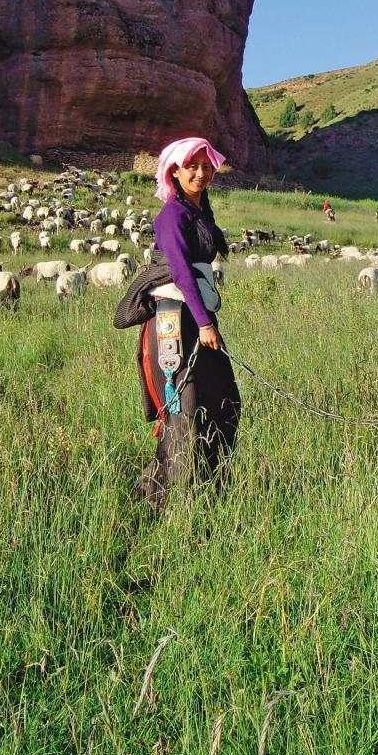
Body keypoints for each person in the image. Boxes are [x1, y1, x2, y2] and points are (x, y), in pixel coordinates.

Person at [115, 136, 241, 508]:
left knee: (225, 402)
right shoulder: (171, 215)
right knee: (183, 415)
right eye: (192, 167)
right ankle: (155, 503)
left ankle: (212, 487)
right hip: (175, 320)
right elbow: (182, 273)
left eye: (206, 167)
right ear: (175, 171)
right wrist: (204, 324)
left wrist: (204, 320)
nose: (201, 173)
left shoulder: (200, 211)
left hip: (198, 317)